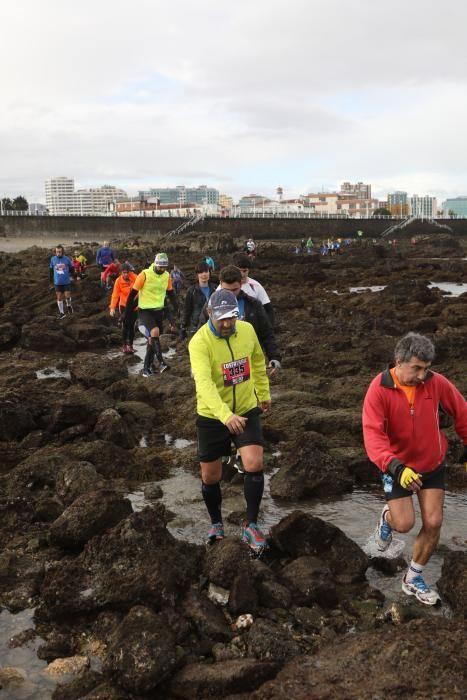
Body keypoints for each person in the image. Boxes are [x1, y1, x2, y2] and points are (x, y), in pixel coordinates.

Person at [362, 332, 467, 606]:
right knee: (404, 523)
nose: (423, 375)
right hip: (397, 467)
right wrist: (395, 467)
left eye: (427, 368)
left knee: (433, 522)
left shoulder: (436, 383)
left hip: (431, 464)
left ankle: (413, 578)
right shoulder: (378, 389)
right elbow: (373, 437)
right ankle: (387, 519)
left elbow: (462, 413)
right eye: (417, 368)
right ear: (399, 361)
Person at [188, 289, 271, 554]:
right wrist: (225, 416)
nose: (227, 324)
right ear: (210, 313)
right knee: (210, 476)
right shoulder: (199, 343)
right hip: (213, 416)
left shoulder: (246, 331)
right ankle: (216, 524)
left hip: (246, 407)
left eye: (231, 318)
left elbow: (257, 360)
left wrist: (264, 393)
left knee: (254, 463)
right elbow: (204, 384)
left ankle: (252, 524)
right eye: (221, 318)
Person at [204, 265, 281, 377]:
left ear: (241, 284)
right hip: (221, 362)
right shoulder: (211, 306)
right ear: (220, 284)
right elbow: (201, 333)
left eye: (234, 290)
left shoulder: (254, 305)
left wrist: (274, 357)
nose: (230, 294)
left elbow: (266, 332)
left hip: (248, 360)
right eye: (226, 290)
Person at [125, 252, 178, 377]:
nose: (162, 269)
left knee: (152, 341)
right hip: (145, 311)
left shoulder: (166, 276)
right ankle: (161, 362)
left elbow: (171, 293)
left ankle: (146, 369)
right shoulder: (144, 275)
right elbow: (132, 295)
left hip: (158, 312)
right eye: (160, 267)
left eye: (164, 267)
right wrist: (127, 315)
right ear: (155, 264)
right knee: (154, 332)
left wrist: (176, 308)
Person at [231, 253, 275, 326]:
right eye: (239, 271)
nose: (242, 274)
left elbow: (268, 309)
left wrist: (269, 329)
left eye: (244, 271)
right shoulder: (224, 287)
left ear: (248, 270)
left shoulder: (255, 286)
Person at [180, 260, 216, 339]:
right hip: (196, 327)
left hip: (214, 325)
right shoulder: (192, 291)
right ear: (197, 275)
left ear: (209, 272)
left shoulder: (215, 288)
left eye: (206, 271)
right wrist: (183, 326)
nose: (204, 274)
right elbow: (187, 310)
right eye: (201, 272)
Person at [109, 262, 138, 354]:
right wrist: (112, 308)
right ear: (121, 273)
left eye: (127, 272)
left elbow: (141, 288)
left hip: (134, 306)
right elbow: (115, 295)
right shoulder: (118, 281)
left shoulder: (135, 277)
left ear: (129, 272)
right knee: (125, 325)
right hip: (124, 306)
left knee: (131, 326)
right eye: (124, 273)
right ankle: (124, 346)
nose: (125, 274)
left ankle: (131, 345)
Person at [49, 245, 74, 318]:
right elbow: (51, 271)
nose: (58, 253)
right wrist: (51, 282)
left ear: (62, 252)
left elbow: (72, 268)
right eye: (57, 252)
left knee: (67, 296)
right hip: (57, 282)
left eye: (59, 252)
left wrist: (72, 276)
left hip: (66, 281)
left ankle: (69, 305)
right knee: (59, 297)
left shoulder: (67, 259)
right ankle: (62, 313)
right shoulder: (53, 259)